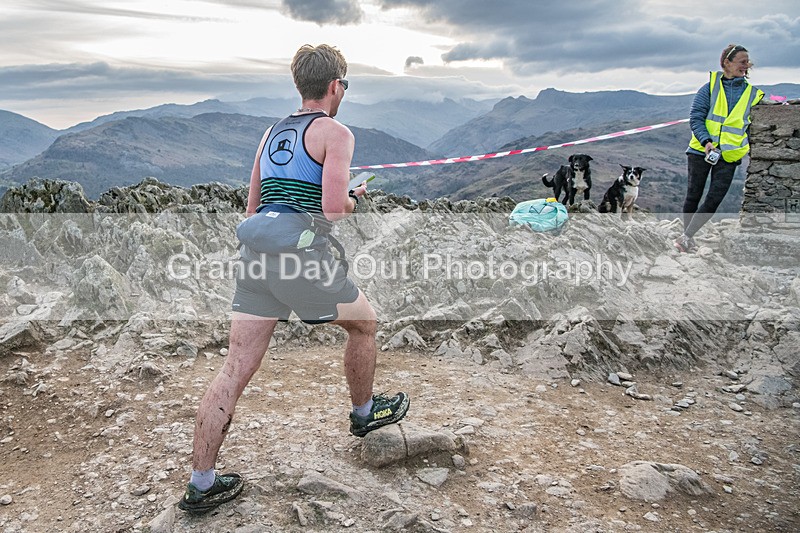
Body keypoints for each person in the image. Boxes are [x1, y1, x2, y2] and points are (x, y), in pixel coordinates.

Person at [178, 44, 410, 514]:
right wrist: (354, 197)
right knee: (365, 324)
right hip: (301, 260)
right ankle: (364, 414)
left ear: (300, 84)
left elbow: (253, 207)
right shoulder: (336, 133)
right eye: (345, 85)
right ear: (335, 85)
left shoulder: (270, 134)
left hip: (256, 258)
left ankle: (201, 482)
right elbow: (333, 210)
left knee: (234, 368)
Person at [674, 43, 764, 253]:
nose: (746, 65)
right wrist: (706, 142)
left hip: (729, 155)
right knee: (693, 196)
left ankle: (686, 237)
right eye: (742, 62)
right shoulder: (709, 88)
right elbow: (696, 118)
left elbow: (752, 126)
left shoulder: (753, 94)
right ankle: (686, 238)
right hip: (700, 150)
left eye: (748, 62)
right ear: (727, 63)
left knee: (713, 200)